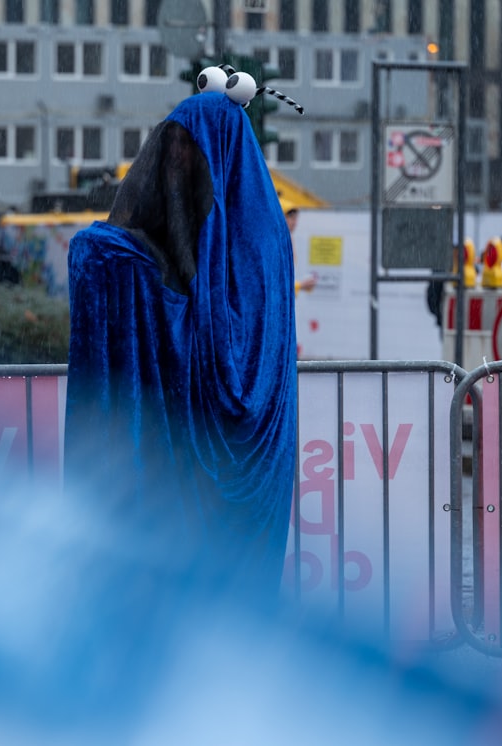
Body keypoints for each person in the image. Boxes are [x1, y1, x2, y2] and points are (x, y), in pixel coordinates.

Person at [64, 75, 298, 604]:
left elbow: (236, 372)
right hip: (174, 462)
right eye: (168, 149)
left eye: (189, 152)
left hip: (243, 472)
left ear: (218, 158)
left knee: (225, 613)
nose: (175, 165)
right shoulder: (168, 242)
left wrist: (151, 304)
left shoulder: (258, 242)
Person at [281, 197, 316, 295]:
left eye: (296, 218)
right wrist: (299, 286)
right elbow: (274, 282)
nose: (295, 223)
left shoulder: (287, 239)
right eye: (291, 217)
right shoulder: (274, 243)